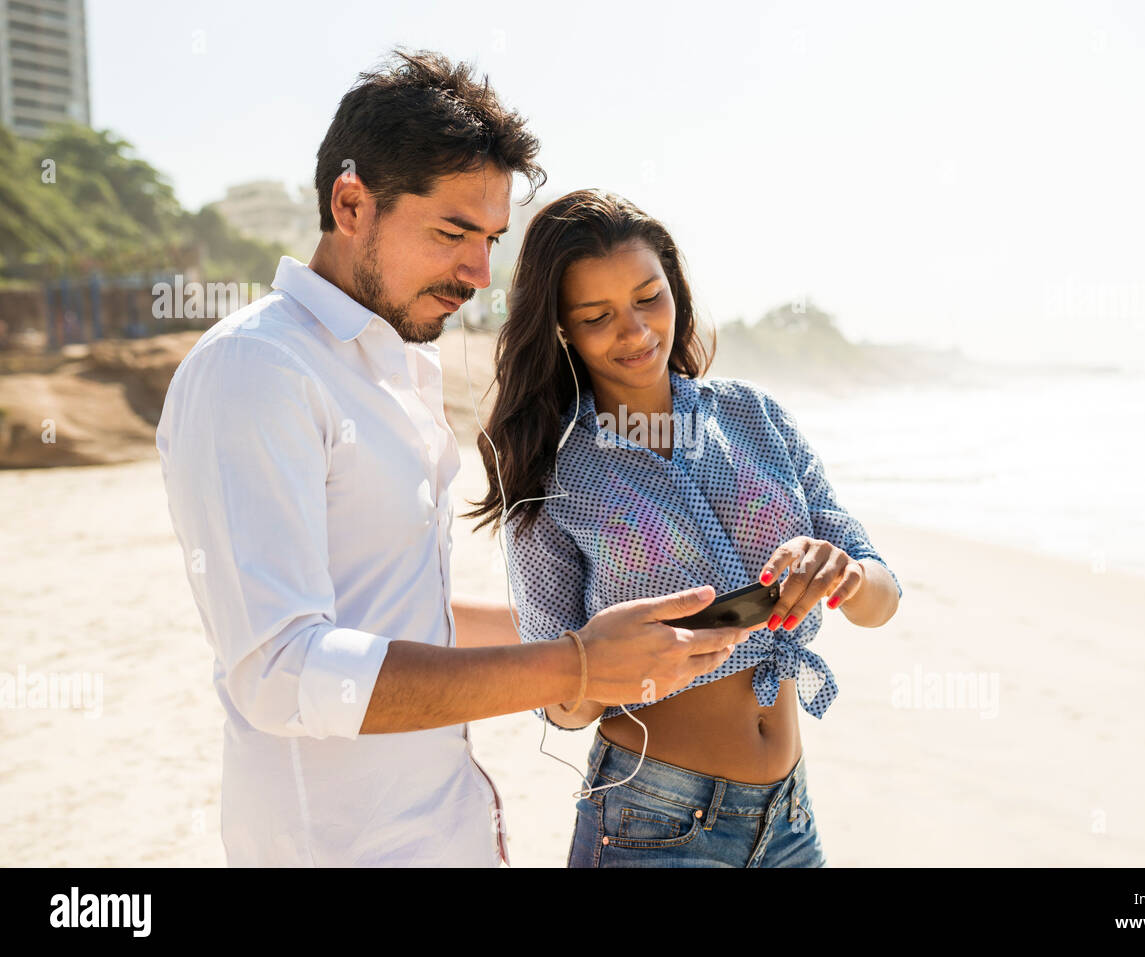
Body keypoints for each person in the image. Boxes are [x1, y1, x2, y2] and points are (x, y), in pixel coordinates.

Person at [155, 51, 753, 868]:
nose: (480, 273)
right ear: (351, 202)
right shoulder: (256, 369)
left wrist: (598, 630)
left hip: (454, 832)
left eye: (492, 239)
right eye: (452, 233)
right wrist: (574, 664)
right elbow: (282, 671)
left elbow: (399, 612)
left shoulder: (396, 369)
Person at [468, 189, 903, 867]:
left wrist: (845, 574)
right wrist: (596, 665)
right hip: (653, 824)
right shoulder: (549, 471)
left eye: (649, 297)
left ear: (676, 286)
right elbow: (559, 703)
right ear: (562, 330)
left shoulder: (756, 417)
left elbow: (883, 596)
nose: (636, 330)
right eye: (597, 315)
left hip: (790, 819)